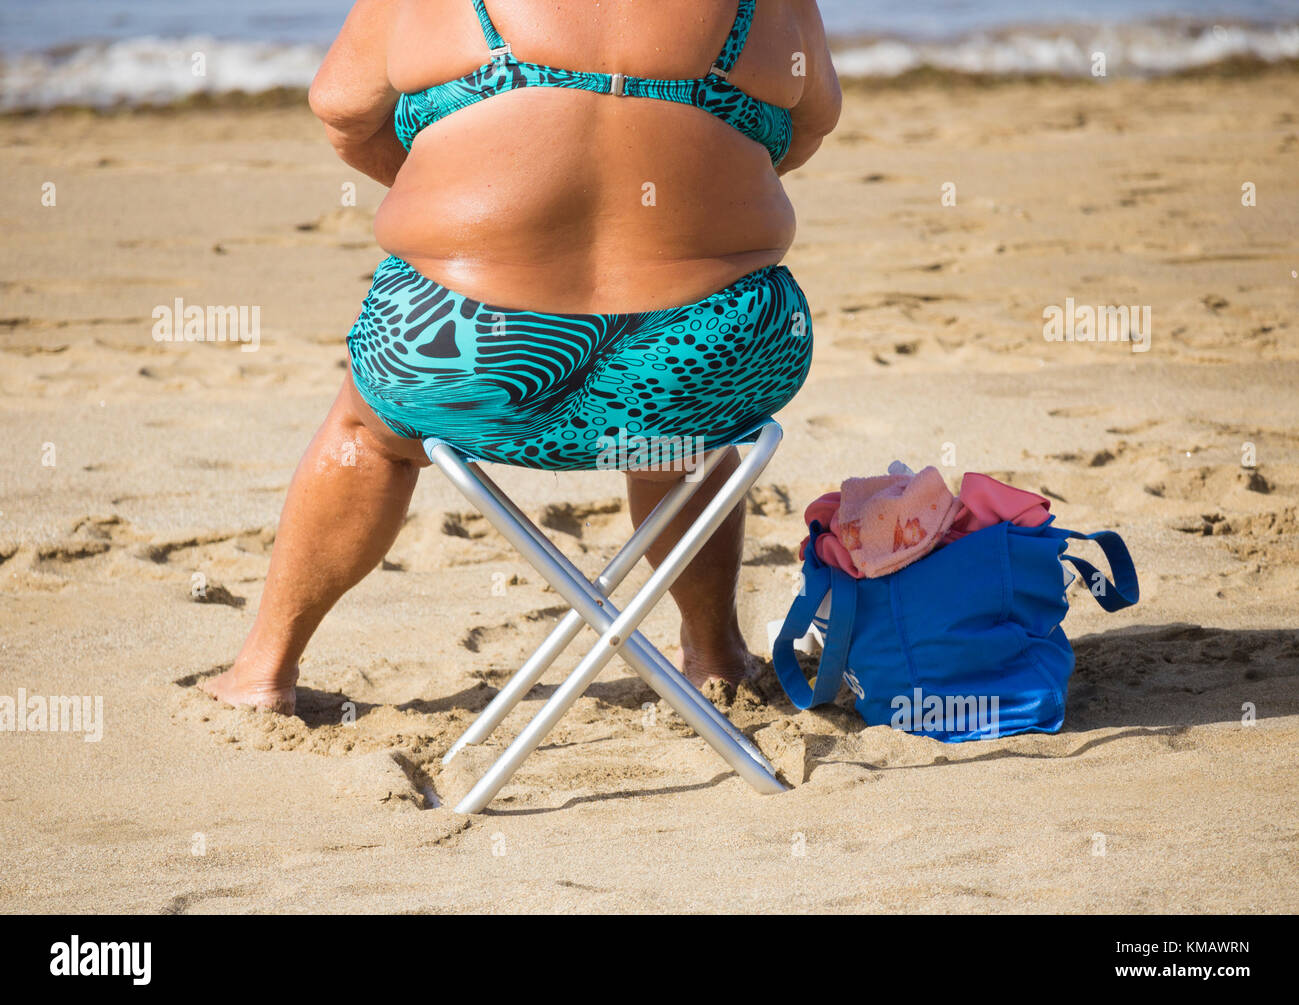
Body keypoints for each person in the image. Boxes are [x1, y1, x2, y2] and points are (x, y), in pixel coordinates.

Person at [202, 0, 841, 714]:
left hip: (468, 350)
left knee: (369, 434)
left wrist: (465, 184)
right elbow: (807, 124)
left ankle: (263, 672)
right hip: (704, 351)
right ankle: (716, 654)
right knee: (686, 432)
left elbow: (345, 113)